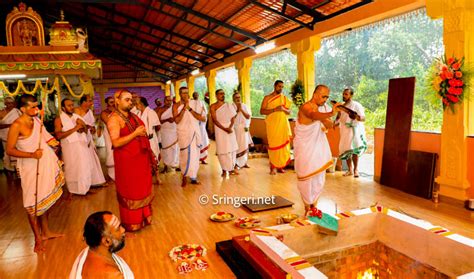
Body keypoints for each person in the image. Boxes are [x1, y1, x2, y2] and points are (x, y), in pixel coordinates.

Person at [6, 95, 65, 252]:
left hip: (43, 163)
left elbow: (47, 139)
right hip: (29, 167)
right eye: (32, 107)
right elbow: (10, 149)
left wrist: (55, 147)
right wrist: (32, 155)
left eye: (36, 106)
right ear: (23, 109)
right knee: (31, 203)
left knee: (43, 198)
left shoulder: (37, 121)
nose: (36, 109)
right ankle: (37, 239)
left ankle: (46, 232)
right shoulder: (16, 125)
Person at [107, 89, 155, 231]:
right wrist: (135, 133)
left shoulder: (132, 116)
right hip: (127, 163)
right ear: (117, 101)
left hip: (140, 160)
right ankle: (132, 222)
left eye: (131, 100)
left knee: (142, 189)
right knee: (131, 191)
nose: (130, 102)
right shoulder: (114, 119)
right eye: (127, 100)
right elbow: (115, 143)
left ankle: (144, 218)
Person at [294, 85, 340, 216]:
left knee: (318, 178)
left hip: (318, 148)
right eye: (323, 96)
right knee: (306, 178)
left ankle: (314, 207)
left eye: (327, 97)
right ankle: (307, 207)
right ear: (315, 94)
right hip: (305, 148)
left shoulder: (323, 110)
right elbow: (313, 115)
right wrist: (331, 113)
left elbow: (329, 125)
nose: (325, 99)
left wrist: (339, 117)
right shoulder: (306, 107)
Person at [69, 211, 133, 279]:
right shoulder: (112, 274)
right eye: (118, 229)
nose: (123, 230)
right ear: (107, 241)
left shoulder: (89, 252)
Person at [54, 98, 92, 195]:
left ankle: (84, 188)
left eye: (72, 105)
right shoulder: (59, 119)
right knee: (72, 168)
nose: (72, 107)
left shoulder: (77, 117)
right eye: (69, 105)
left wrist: (83, 128)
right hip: (70, 147)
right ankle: (73, 190)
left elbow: (86, 130)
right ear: (63, 107)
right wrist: (75, 128)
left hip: (82, 145)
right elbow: (58, 136)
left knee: (84, 166)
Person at [172, 87, 204, 186]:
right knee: (184, 155)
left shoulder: (195, 104)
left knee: (195, 156)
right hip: (184, 133)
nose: (185, 95)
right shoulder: (176, 106)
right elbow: (176, 121)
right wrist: (183, 109)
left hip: (194, 132)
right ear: (179, 94)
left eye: (187, 92)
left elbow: (202, 118)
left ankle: (193, 177)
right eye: (183, 93)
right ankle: (184, 175)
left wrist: (189, 109)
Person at [260, 80, 292, 175]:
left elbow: (289, 112)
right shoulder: (267, 98)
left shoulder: (284, 98)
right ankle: (273, 167)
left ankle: (280, 166)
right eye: (279, 86)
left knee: (283, 146)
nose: (281, 88)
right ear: (274, 86)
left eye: (282, 87)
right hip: (272, 125)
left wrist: (284, 109)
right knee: (274, 145)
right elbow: (262, 111)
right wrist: (275, 109)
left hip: (283, 125)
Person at [335, 88, 367, 178]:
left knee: (354, 150)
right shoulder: (341, 106)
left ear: (351, 95)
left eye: (346, 94)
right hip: (344, 130)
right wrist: (335, 123)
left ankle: (356, 170)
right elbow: (338, 117)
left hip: (353, 129)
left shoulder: (356, 105)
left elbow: (363, 118)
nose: (344, 96)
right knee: (346, 150)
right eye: (343, 94)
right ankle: (350, 170)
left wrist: (355, 116)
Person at [75, 95, 106, 186]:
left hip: (88, 137)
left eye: (91, 101)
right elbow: (75, 124)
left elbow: (91, 125)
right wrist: (87, 127)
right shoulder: (77, 110)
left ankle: (96, 181)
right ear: (83, 102)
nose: (91, 103)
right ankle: (84, 182)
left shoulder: (90, 112)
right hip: (79, 138)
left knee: (93, 158)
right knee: (83, 160)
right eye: (89, 101)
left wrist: (92, 128)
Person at [211, 89, 238, 177]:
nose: (223, 95)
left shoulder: (228, 105)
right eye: (220, 94)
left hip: (230, 128)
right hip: (220, 129)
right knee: (222, 150)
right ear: (216, 95)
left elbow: (233, 117)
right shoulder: (213, 106)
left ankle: (231, 168)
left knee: (232, 149)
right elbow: (215, 120)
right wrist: (224, 129)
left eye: (223, 93)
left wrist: (229, 127)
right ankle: (224, 169)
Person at [136, 97, 161, 184]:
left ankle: (157, 178)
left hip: (151, 139)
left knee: (154, 157)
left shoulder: (151, 112)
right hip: (141, 139)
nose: (136, 105)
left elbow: (158, 126)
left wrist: (151, 133)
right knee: (144, 159)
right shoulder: (138, 113)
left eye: (137, 103)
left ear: (142, 104)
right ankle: (147, 178)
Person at [157, 96, 179, 172]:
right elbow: (158, 121)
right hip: (165, 132)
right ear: (164, 101)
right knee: (165, 149)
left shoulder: (174, 109)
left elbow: (179, 119)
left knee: (175, 148)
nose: (169, 102)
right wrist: (167, 120)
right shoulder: (160, 110)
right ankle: (166, 165)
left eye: (170, 100)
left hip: (174, 131)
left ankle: (175, 164)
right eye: (167, 100)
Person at [0, 97, 22, 171]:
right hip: (5, 136)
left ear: (14, 103)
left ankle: (17, 167)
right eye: (8, 103)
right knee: (7, 151)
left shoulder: (17, 112)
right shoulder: (1, 112)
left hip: (17, 135)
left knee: (18, 150)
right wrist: (10, 125)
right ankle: (8, 167)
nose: (10, 105)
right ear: (5, 104)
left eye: (11, 103)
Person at [232, 92, 252, 169]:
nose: (238, 99)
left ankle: (244, 162)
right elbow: (231, 118)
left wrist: (241, 110)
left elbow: (248, 116)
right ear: (233, 98)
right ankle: (236, 163)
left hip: (244, 128)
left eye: (239, 97)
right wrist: (237, 110)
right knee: (237, 145)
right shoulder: (231, 107)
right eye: (236, 97)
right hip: (235, 129)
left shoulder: (244, 106)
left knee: (245, 145)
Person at [192, 92, 210, 164]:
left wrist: (201, 116)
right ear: (193, 96)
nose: (196, 96)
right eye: (194, 95)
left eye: (197, 94)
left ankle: (203, 158)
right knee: (194, 142)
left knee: (202, 141)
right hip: (194, 126)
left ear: (198, 95)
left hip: (201, 126)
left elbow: (205, 113)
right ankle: (195, 158)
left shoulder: (202, 102)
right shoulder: (191, 103)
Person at [100, 97, 116, 181]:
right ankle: (111, 175)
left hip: (119, 134)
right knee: (110, 152)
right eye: (111, 102)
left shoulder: (118, 111)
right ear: (107, 103)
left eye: (114, 102)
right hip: (109, 134)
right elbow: (109, 123)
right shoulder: (104, 113)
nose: (113, 104)